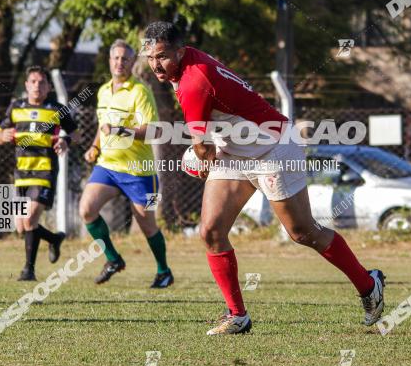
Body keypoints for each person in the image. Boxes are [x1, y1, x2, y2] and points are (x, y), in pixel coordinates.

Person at [142, 21, 384, 335]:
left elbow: (202, 151)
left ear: (181, 51)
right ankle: (237, 315)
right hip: (236, 152)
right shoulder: (183, 69)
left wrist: (199, 162)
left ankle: (369, 285)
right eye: (150, 57)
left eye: (162, 56)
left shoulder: (192, 81)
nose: (155, 65)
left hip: (274, 148)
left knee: (302, 232)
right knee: (211, 231)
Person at [81, 39, 173, 288]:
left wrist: (121, 130)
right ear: (109, 61)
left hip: (140, 171)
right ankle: (112, 259)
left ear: (132, 62)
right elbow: (104, 126)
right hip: (108, 166)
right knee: (87, 209)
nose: (120, 62)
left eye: (125, 58)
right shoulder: (102, 91)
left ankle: (164, 271)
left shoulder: (140, 91)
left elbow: (153, 131)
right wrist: (95, 146)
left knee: (147, 223)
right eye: (116, 58)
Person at [0, 66, 76, 281]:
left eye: (42, 82)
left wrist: (64, 140)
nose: (37, 86)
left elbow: (74, 132)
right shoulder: (16, 107)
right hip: (21, 172)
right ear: (26, 85)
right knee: (21, 226)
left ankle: (28, 270)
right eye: (33, 81)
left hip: (45, 171)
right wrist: (3, 135)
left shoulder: (57, 109)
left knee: (30, 218)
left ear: (49, 86)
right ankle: (54, 239)